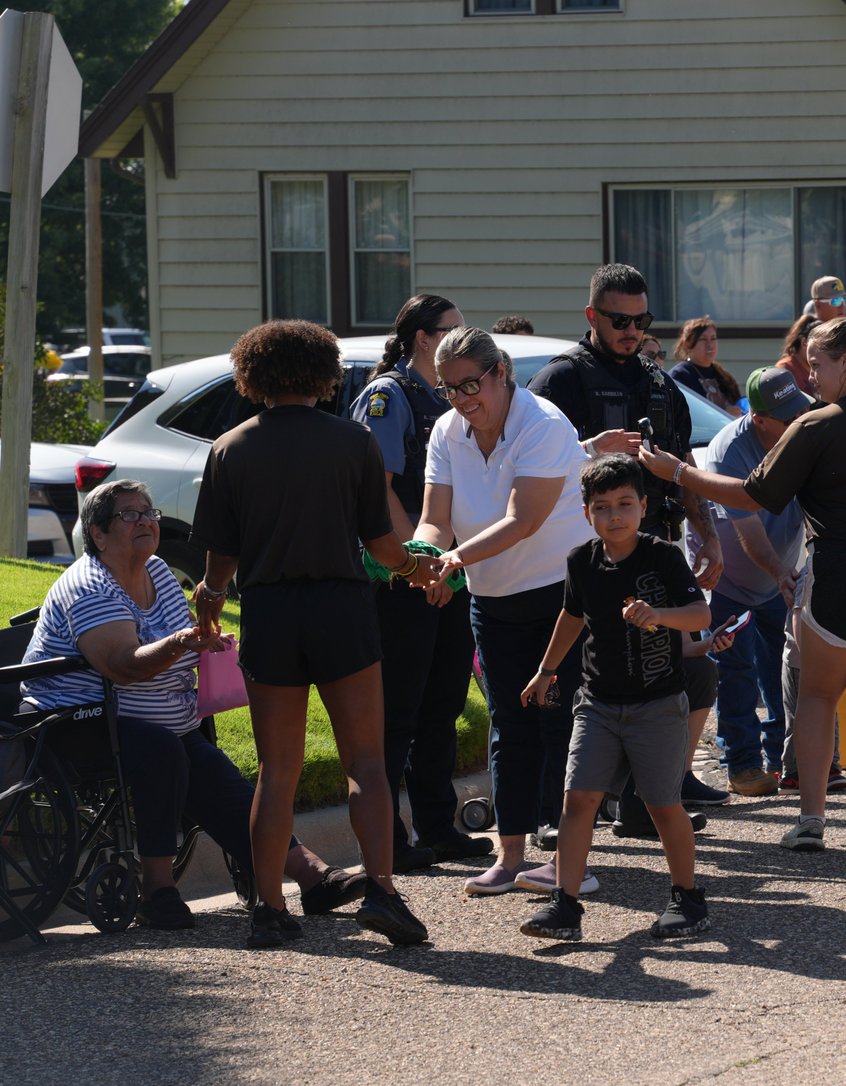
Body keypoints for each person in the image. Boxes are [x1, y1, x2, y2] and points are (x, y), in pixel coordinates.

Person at [190, 319, 440, 950]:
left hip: (270, 612)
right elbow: (381, 545)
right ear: (325, 373)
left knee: (277, 771)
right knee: (366, 761)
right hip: (341, 608)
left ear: (252, 374)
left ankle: (270, 909)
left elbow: (220, 558)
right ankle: (381, 891)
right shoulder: (352, 441)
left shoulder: (230, 448)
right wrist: (414, 568)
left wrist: (212, 597)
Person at [640, 318, 846, 852]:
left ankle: (812, 820)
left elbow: (751, 495)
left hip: (838, 578)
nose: (810, 377)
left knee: (817, 696)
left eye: (817, 365)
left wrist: (676, 473)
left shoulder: (818, 424)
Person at [20, 478, 364, 932]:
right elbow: (123, 665)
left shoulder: (159, 572)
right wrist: (182, 642)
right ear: (98, 534)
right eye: (129, 515)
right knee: (164, 750)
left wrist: (204, 644)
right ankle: (157, 891)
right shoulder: (89, 586)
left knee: (212, 772)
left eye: (149, 513)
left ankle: (312, 875)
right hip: (76, 722)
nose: (145, 521)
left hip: (157, 722)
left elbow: (178, 645)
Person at [527, 263, 724, 835]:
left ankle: (645, 805)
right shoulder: (561, 381)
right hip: (582, 558)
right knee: (575, 683)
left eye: (642, 321)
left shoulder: (658, 382)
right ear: (592, 316)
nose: (632, 331)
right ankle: (557, 812)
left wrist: (707, 533)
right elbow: (529, 468)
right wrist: (589, 449)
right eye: (619, 320)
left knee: (658, 675)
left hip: (652, 553)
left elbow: (682, 466)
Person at [419, 326, 593, 896]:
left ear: (500, 373)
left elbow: (524, 520)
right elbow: (434, 519)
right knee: (509, 726)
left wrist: (453, 559)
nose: (461, 400)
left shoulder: (543, 424)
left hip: (561, 598)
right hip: (492, 601)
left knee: (563, 726)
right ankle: (510, 856)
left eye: (470, 385)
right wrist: (423, 558)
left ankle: (571, 862)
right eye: (449, 389)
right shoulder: (447, 431)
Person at [518, 455, 712, 941]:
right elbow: (572, 617)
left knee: (662, 805)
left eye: (625, 504)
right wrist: (545, 671)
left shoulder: (662, 556)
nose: (615, 515)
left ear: (644, 506)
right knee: (577, 799)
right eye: (602, 507)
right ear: (587, 513)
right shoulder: (580, 561)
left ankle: (687, 898)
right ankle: (565, 905)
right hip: (598, 703)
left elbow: (699, 615)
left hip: (658, 704)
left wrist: (660, 615)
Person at [349, 294, 492, 871]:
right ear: (422, 339)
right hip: (403, 576)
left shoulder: (452, 396)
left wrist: (447, 567)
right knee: (397, 711)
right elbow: (378, 491)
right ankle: (388, 839)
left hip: (451, 574)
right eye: (451, 329)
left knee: (444, 704)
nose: (461, 336)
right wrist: (420, 564)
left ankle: (437, 826)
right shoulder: (389, 396)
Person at [703, 367, 809, 797]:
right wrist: (781, 573)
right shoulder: (728, 451)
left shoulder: (803, 434)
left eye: (800, 411)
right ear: (759, 419)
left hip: (779, 576)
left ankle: (786, 760)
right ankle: (742, 764)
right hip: (729, 581)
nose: (797, 422)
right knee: (736, 672)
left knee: (782, 672)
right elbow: (748, 531)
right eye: (787, 418)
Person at [669, 317, 744, 417]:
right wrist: (723, 414)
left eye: (713, 339)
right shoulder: (680, 375)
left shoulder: (724, 377)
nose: (710, 345)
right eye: (703, 339)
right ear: (687, 344)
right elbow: (685, 415)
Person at [775, 314, 819, 393]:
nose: (823, 352)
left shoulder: (820, 367)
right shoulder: (784, 370)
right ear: (804, 342)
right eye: (818, 345)